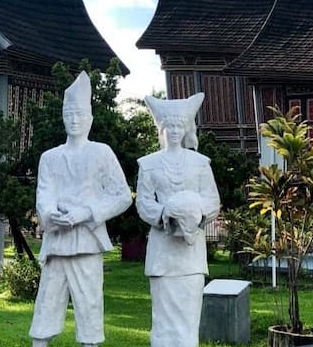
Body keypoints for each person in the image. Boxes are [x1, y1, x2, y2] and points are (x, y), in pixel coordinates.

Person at [30, 73, 133, 347]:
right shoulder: (49, 157)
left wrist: (86, 213)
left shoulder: (101, 152)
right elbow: (44, 194)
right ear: (63, 117)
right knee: (47, 302)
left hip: (87, 241)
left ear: (89, 118)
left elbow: (122, 196)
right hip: (57, 242)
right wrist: (52, 215)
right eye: (69, 114)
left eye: (79, 114)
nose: (74, 120)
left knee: (89, 304)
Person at [136, 93, 220, 347]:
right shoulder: (149, 164)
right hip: (162, 253)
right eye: (169, 126)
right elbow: (143, 202)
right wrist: (165, 215)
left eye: (179, 126)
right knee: (162, 318)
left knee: (188, 317)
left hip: (190, 255)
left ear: (186, 129)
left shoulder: (200, 163)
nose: (174, 131)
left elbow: (212, 200)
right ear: (161, 129)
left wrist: (195, 215)